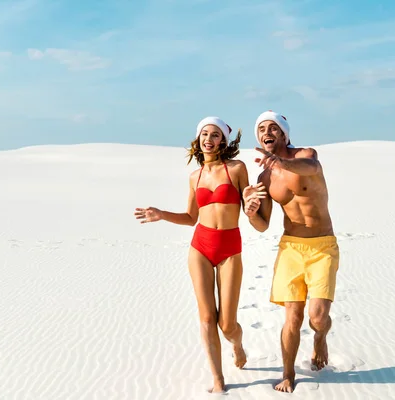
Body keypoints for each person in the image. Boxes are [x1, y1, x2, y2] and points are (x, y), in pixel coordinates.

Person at [134, 116, 251, 394]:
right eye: (204, 135)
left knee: (227, 324)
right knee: (207, 318)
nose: (208, 139)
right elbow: (190, 217)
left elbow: (249, 207)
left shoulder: (236, 169)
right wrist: (161, 215)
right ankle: (218, 379)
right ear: (198, 140)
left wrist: (256, 202)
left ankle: (237, 344)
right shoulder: (194, 176)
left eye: (214, 135)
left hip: (229, 247)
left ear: (223, 140)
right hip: (200, 246)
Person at [242, 110, 340, 393]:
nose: (267, 132)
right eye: (261, 128)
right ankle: (288, 374)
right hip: (291, 248)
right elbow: (262, 225)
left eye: (273, 128)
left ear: (284, 134)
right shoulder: (265, 176)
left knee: (318, 317)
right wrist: (250, 213)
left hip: (322, 246)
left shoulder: (305, 156)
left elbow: (310, 167)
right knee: (292, 318)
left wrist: (281, 162)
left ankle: (320, 337)